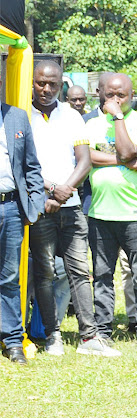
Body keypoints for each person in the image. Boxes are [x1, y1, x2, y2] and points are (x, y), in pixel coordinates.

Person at [29, 61, 117, 356]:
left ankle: (89, 338)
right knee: (44, 274)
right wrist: (52, 190)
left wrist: (64, 192)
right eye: (41, 83)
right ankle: (52, 335)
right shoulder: (22, 114)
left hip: (71, 207)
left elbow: (85, 160)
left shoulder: (72, 117)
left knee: (79, 271)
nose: (46, 89)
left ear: (61, 86)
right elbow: (22, 165)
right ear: (33, 81)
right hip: (39, 206)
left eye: (53, 84)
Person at [85, 73, 137, 350]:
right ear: (102, 93)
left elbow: (130, 151)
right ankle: (103, 330)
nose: (115, 100)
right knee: (102, 275)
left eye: (122, 96)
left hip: (134, 214)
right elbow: (87, 157)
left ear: (132, 94)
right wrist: (124, 161)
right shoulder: (91, 124)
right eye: (110, 95)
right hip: (100, 213)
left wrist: (117, 118)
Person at [0, 82, 46, 364]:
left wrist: (36, 205)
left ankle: (13, 340)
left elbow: (32, 166)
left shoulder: (16, 116)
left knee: (8, 277)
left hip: (10, 208)